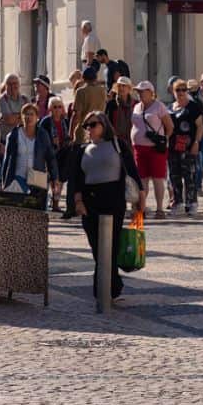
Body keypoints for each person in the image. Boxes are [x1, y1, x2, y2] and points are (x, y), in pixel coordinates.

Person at [73, 110, 146, 301]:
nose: (89, 128)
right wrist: (78, 201)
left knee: (111, 246)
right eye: (86, 126)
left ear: (103, 125)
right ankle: (113, 284)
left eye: (93, 124)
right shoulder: (82, 149)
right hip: (90, 201)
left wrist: (140, 201)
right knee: (97, 247)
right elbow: (76, 179)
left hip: (113, 199)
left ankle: (104, 291)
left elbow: (132, 172)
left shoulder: (117, 145)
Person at [1, 103, 58, 207]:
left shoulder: (43, 135)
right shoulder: (14, 135)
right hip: (17, 179)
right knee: (16, 210)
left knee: (36, 211)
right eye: (26, 114)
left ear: (37, 117)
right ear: (22, 117)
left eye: (31, 114)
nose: (28, 117)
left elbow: (50, 158)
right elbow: (6, 161)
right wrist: (4, 182)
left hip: (37, 179)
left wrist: (55, 178)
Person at [131, 81, 174, 219]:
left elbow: (170, 126)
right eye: (138, 91)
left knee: (157, 179)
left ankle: (159, 209)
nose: (140, 93)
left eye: (142, 91)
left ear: (151, 92)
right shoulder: (137, 107)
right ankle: (141, 208)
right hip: (139, 148)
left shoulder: (159, 106)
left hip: (155, 149)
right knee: (141, 180)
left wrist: (163, 139)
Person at [168, 80, 203, 215]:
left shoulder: (193, 107)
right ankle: (178, 202)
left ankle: (192, 203)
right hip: (173, 147)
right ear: (173, 92)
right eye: (178, 90)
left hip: (189, 146)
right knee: (174, 176)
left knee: (190, 175)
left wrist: (196, 142)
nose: (181, 93)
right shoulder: (169, 108)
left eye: (184, 90)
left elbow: (200, 126)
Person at [39, 96, 70, 212]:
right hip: (49, 154)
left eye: (60, 107)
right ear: (50, 109)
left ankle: (56, 203)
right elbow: (41, 138)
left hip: (62, 153)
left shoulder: (65, 122)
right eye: (55, 107)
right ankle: (44, 202)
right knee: (51, 179)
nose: (57, 109)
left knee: (60, 179)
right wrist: (51, 142)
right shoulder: (45, 122)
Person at [70, 65, 107, 146]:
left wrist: (71, 133)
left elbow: (77, 115)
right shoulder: (102, 90)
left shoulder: (81, 91)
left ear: (83, 78)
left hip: (84, 130)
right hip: (100, 129)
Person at [0, 73, 27, 148]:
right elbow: (9, 119)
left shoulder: (25, 99)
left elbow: (29, 119)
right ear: (5, 85)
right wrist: (21, 116)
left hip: (22, 139)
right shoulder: (2, 99)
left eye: (15, 83)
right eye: (9, 84)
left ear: (19, 85)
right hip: (6, 140)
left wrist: (15, 117)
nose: (12, 86)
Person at [105, 76, 135, 144]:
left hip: (132, 140)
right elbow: (107, 122)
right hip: (115, 140)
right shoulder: (111, 104)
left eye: (124, 86)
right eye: (119, 86)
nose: (121, 88)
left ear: (129, 88)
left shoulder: (135, 104)